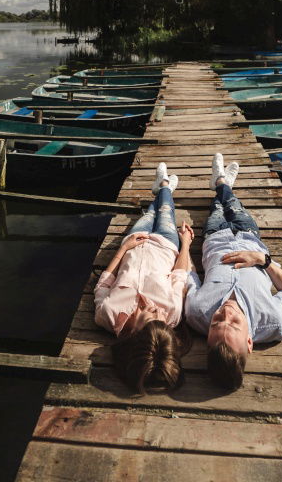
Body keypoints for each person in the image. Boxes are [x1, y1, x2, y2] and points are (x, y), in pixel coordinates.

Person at [185, 153, 282, 391]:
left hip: (215, 237)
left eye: (216, 321)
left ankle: (221, 184)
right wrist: (263, 260)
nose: (226, 313)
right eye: (235, 322)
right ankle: (222, 183)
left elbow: (189, 276)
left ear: (207, 337)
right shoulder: (276, 323)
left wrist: (185, 245)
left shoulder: (196, 314)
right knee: (233, 205)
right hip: (250, 238)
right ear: (249, 342)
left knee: (217, 208)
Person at [94, 162, 194, 393]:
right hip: (166, 244)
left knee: (150, 212)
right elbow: (179, 275)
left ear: (133, 336)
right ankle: (165, 186)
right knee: (166, 212)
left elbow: (105, 281)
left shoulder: (107, 314)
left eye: (152, 319)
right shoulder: (172, 314)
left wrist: (124, 248)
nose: (159, 313)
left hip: (134, 241)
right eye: (164, 323)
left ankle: (162, 188)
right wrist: (186, 243)